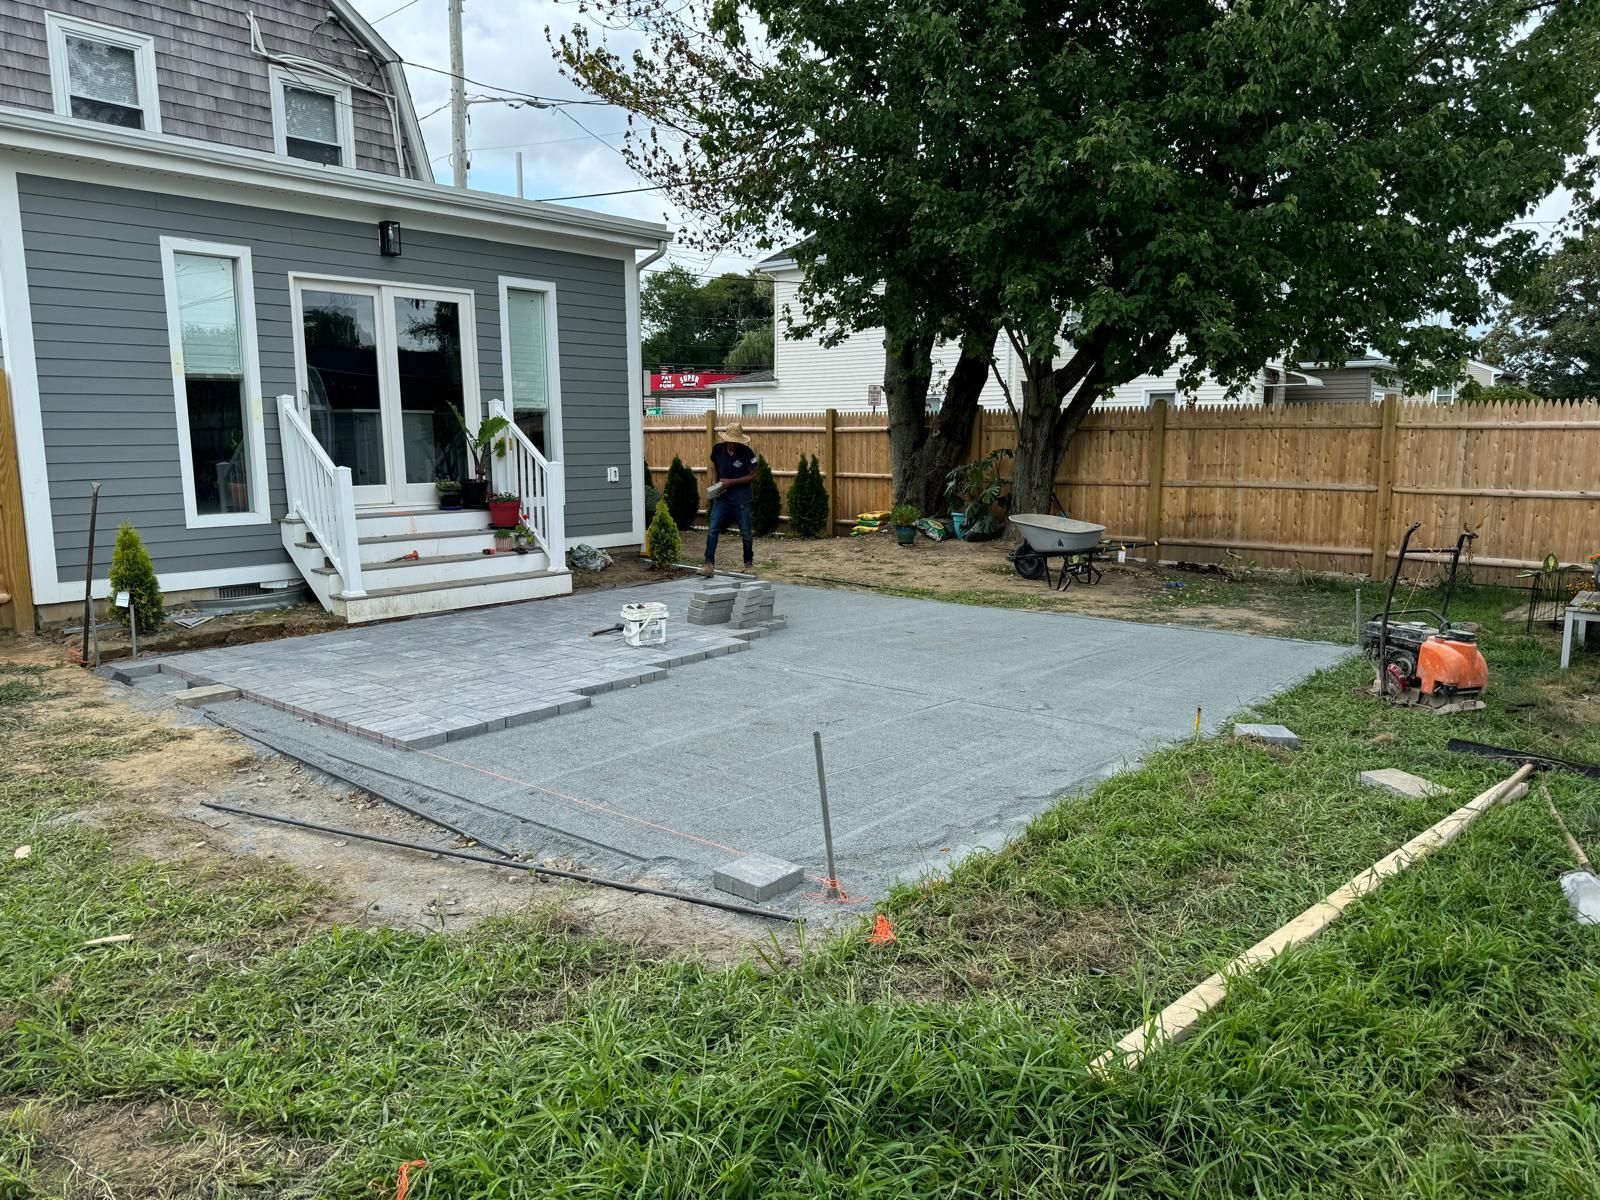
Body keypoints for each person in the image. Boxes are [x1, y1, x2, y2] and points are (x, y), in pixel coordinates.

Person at [702, 420, 757, 575]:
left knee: (746, 532)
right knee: (713, 529)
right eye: (730, 441)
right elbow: (715, 468)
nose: (732, 444)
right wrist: (715, 484)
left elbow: (753, 475)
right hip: (723, 499)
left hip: (742, 500)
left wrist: (731, 482)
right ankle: (708, 565)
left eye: (735, 442)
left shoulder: (747, 453)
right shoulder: (718, 450)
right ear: (725, 439)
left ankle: (748, 565)